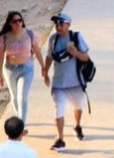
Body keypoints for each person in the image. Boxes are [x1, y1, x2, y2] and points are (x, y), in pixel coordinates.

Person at [44, 13, 90, 151]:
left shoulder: (76, 38)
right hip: (59, 83)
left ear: (68, 24)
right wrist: (45, 71)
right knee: (59, 109)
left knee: (78, 106)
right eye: (56, 24)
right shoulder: (53, 39)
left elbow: (86, 58)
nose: (58, 26)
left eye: (61, 23)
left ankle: (77, 126)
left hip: (76, 82)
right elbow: (49, 57)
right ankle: (60, 139)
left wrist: (76, 53)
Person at [0, 12, 47, 128]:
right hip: (10, 70)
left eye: (20, 20)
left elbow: (37, 50)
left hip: (27, 69)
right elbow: (1, 56)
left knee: (22, 98)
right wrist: (0, 73)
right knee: (14, 96)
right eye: (14, 21)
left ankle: (21, 126)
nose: (18, 23)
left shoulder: (30, 34)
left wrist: (43, 66)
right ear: (9, 23)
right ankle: (18, 119)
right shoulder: (4, 37)